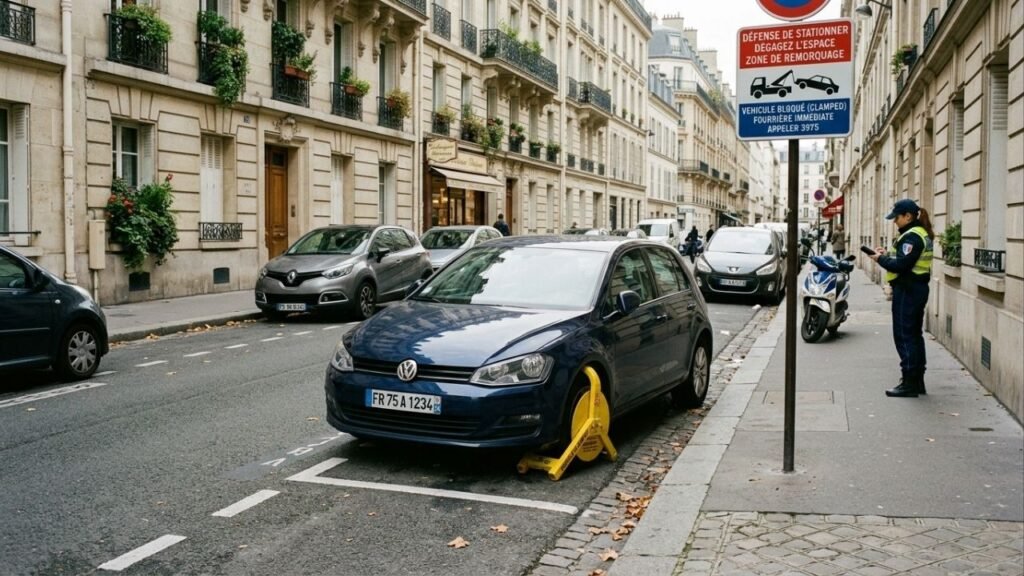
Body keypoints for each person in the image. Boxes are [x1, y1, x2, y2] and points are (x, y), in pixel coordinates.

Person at [868, 199, 934, 398]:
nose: (894, 221)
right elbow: (905, 260)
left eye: (896, 217)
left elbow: (901, 266)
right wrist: (887, 254)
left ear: (908, 216)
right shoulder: (917, 234)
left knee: (905, 336)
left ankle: (909, 382)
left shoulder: (912, 236)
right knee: (914, 335)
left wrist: (880, 259)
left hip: (908, 289)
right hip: (914, 288)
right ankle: (917, 380)